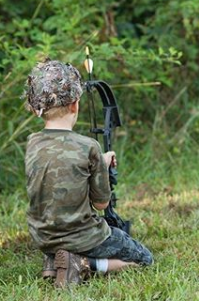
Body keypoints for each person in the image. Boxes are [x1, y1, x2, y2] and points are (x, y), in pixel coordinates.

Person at [24, 59, 153, 288]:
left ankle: (53, 258)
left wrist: (97, 164)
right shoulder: (88, 146)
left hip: (42, 235)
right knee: (144, 259)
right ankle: (82, 263)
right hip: (83, 236)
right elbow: (101, 204)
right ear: (75, 104)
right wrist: (101, 166)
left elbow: (60, 169)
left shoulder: (32, 143)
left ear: (36, 108)